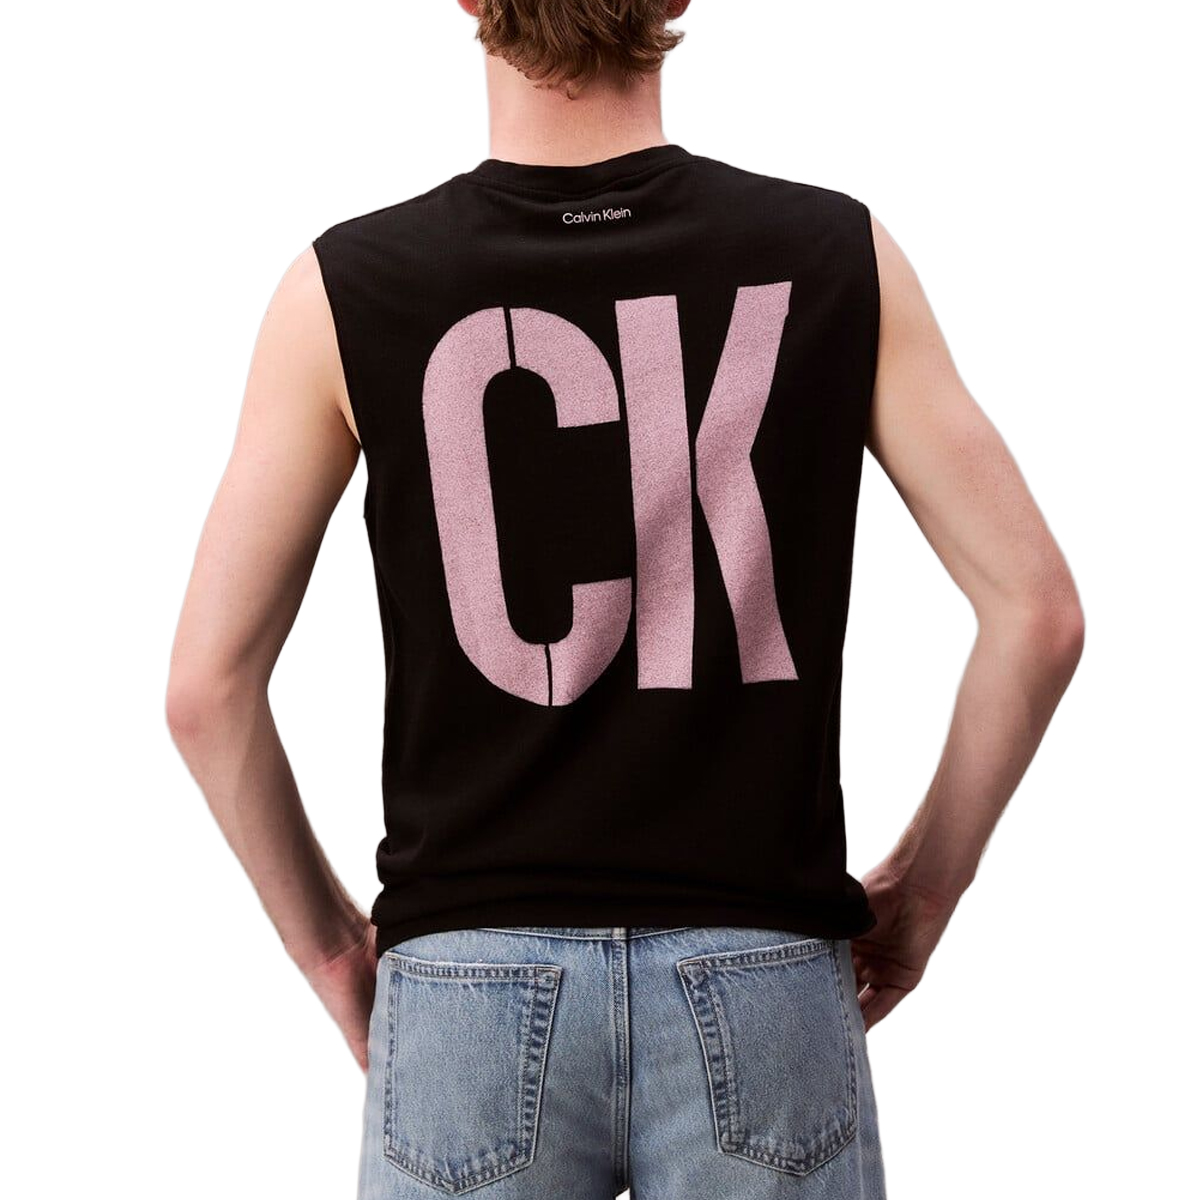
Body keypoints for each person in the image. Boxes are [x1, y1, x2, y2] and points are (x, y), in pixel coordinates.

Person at [165, 2, 1085, 1197]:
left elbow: (207, 689)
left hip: (467, 979)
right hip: (763, 967)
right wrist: (923, 889)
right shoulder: (833, 253)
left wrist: (339, 950)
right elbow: (1036, 613)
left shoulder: (345, 288)